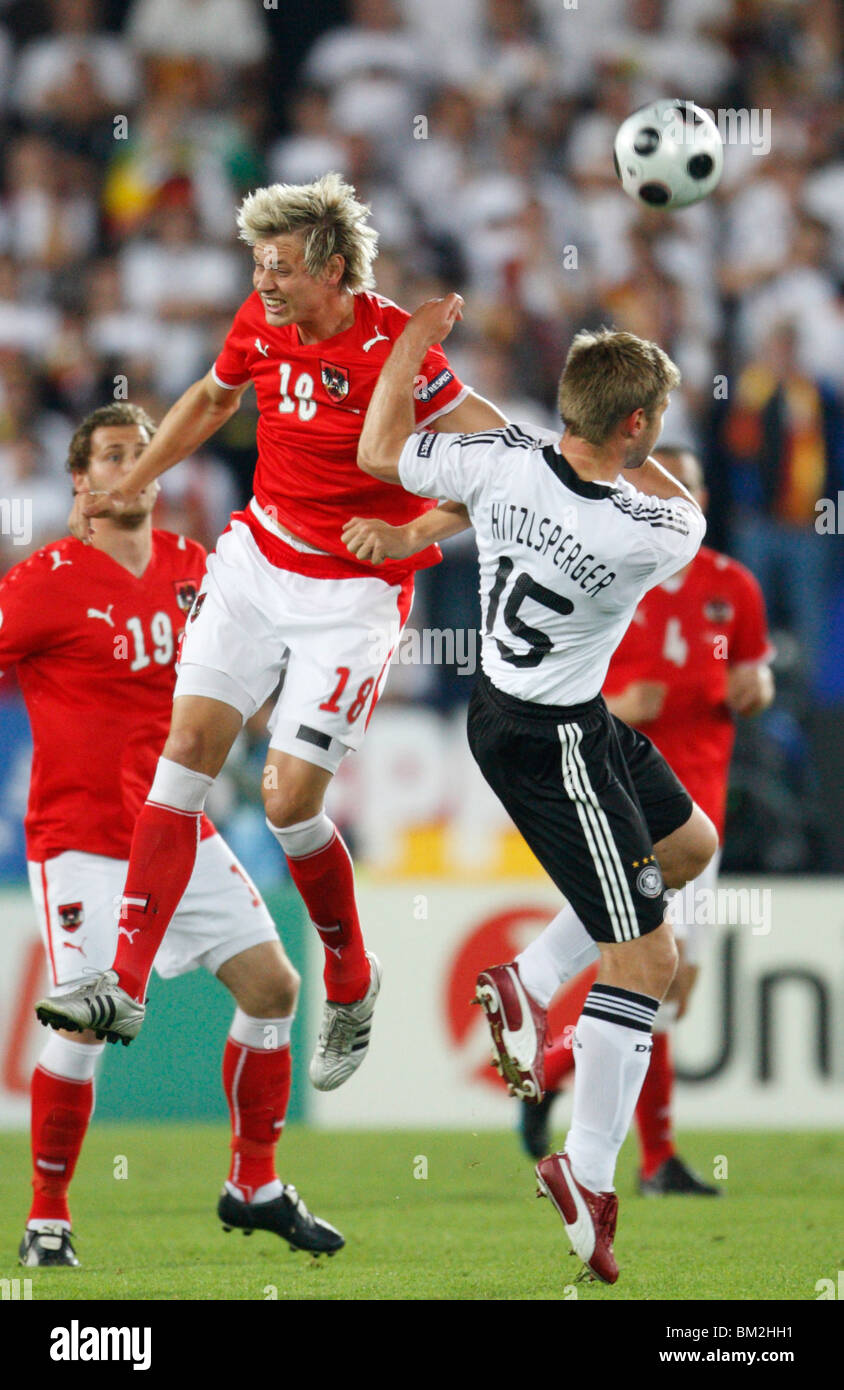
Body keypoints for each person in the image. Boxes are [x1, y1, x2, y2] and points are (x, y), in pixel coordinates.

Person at [34, 174, 506, 1091]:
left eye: (281, 266)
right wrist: (136, 481)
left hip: (356, 596)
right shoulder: (258, 321)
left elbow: (499, 463)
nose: (266, 281)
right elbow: (213, 401)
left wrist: (412, 532)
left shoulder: (395, 348)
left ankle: (354, 979)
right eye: (258, 263)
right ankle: (122, 987)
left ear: (333, 268)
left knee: (290, 804)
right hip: (258, 558)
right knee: (186, 755)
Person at [345, 297, 718, 1285]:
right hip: (554, 740)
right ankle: (586, 1171)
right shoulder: (655, 529)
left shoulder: (501, 460)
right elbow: (679, 500)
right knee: (649, 962)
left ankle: (529, 979)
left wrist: (414, 348)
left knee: (691, 848)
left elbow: (384, 448)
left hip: (532, 711)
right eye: (652, 419)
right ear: (636, 429)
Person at [11, 404, 342, 1266]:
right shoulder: (45, 579)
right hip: (82, 837)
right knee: (86, 1023)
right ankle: (49, 1215)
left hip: (179, 834)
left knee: (273, 987)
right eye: (112, 456)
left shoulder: (202, 571)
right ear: (81, 483)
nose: (131, 467)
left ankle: (254, 1185)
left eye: (142, 453)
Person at [516, 446, 775, 1192]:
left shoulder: (734, 587)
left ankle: (556, 1074)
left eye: (688, 488)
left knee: (663, 981)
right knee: (656, 972)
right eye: (663, 486)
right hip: (622, 805)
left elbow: (751, 671)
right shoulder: (612, 577)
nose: (676, 500)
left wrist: (752, 687)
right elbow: (572, 690)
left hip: (703, 815)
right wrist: (625, 708)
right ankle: (651, 1159)